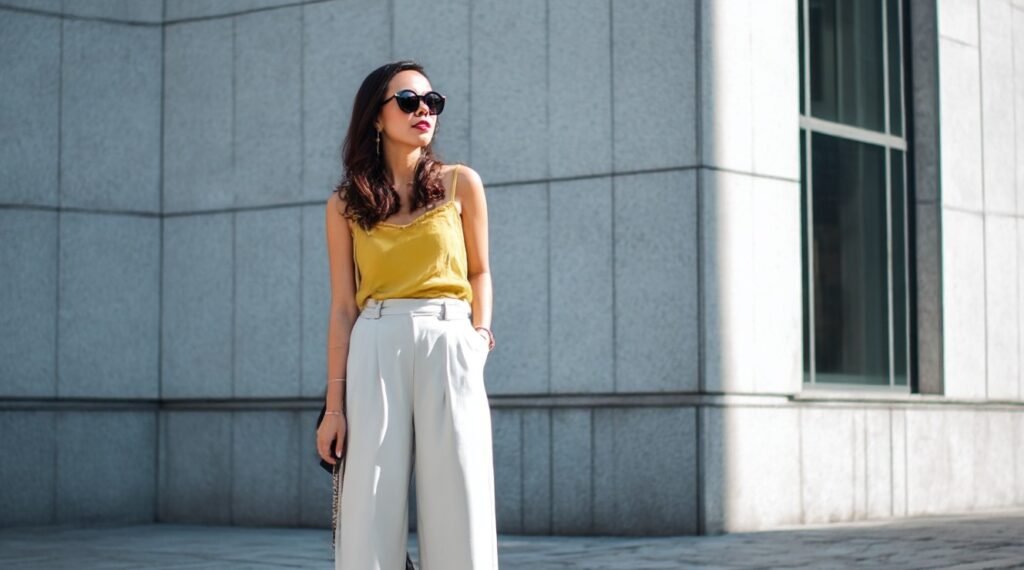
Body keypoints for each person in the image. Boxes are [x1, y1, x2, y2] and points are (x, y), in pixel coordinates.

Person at [317, 60, 499, 570]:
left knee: (460, 496)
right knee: (367, 507)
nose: (424, 110)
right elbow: (343, 306)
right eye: (409, 101)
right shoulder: (345, 204)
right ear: (377, 116)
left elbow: (480, 271)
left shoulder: (461, 183)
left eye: (432, 102)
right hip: (374, 343)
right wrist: (335, 409)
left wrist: (478, 336)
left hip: (450, 339)